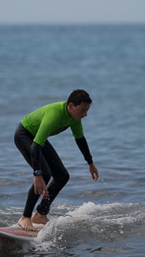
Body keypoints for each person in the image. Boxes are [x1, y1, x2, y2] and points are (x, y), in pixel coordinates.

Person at [14, 89, 99, 231]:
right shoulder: (54, 115)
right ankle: (25, 217)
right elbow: (35, 146)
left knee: (62, 176)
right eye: (83, 110)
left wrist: (90, 163)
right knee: (44, 174)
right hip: (24, 135)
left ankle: (40, 214)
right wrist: (37, 174)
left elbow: (80, 140)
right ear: (71, 106)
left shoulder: (75, 119)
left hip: (37, 139)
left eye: (87, 111)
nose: (85, 115)